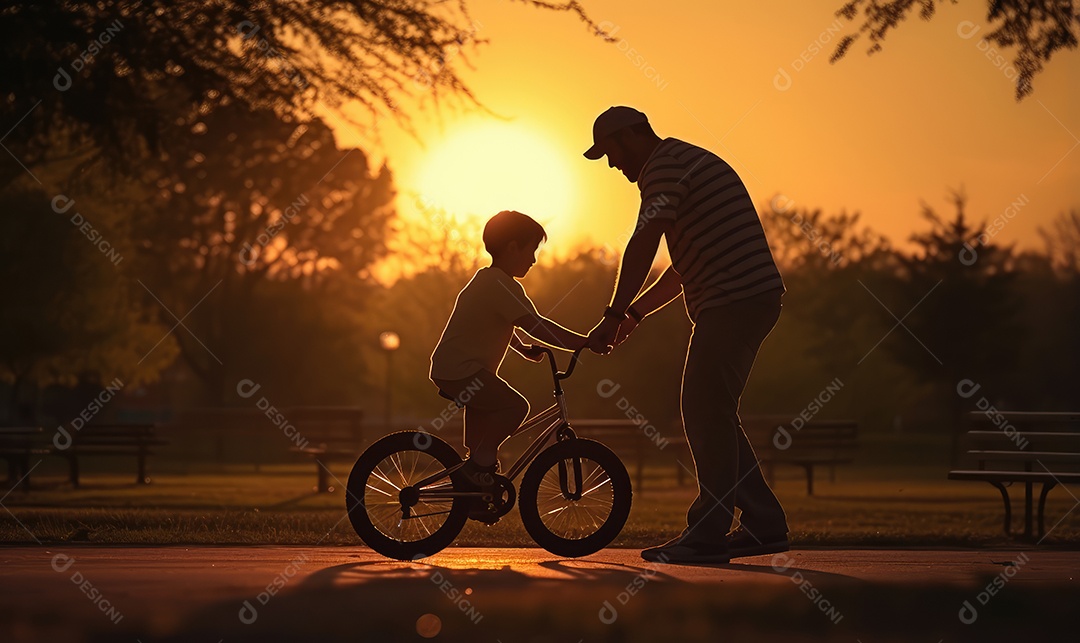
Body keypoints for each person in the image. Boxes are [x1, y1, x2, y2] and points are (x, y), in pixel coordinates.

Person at [583, 106, 789, 564]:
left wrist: (613, 315)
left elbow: (643, 242)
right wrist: (637, 313)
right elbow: (682, 267)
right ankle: (764, 524)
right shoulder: (683, 163)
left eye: (611, 153)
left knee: (701, 408)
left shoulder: (663, 167)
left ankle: (706, 536)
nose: (613, 166)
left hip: (733, 301)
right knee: (714, 412)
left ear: (632, 137)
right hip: (747, 298)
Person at [430, 210, 588, 491]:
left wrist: (521, 349)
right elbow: (536, 325)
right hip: (463, 372)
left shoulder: (492, 282)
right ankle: (478, 466)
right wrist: (582, 342)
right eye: (531, 250)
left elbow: (502, 321)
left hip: (459, 370)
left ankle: (474, 490)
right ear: (512, 247)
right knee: (515, 407)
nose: (534, 259)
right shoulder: (498, 284)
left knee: (481, 441)